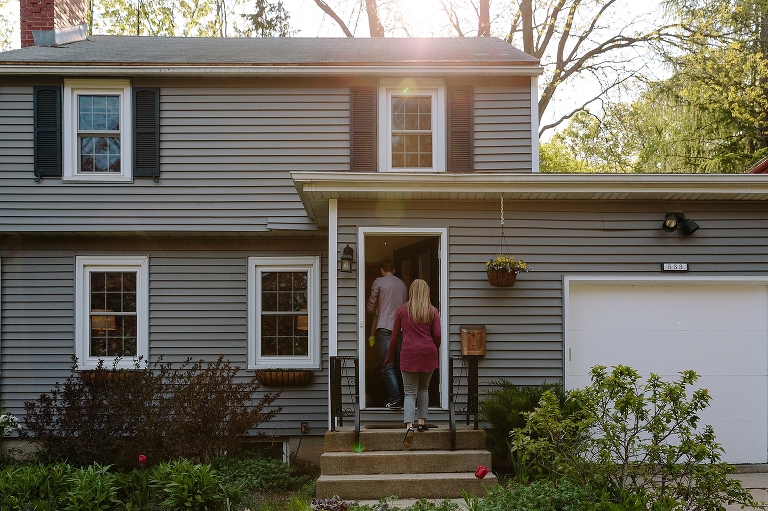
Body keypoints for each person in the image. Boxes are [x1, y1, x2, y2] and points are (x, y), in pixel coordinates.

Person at [384, 279, 440, 449]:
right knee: (424, 388)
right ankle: (422, 422)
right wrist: (432, 348)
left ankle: (409, 426)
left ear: (411, 292)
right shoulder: (432, 311)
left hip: (409, 353)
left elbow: (394, 337)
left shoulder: (402, 311)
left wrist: (389, 357)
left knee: (409, 392)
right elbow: (437, 335)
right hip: (428, 352)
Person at [366, 258, 408, 408]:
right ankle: (401, 397)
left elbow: (370, 307)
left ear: (382, 270)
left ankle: (395, 398)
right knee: (399, 364)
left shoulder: (379, 282)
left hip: (384, 328)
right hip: (401, 329)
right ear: (394, 270)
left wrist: (376, 307)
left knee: (387, 365)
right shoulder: (402, 285)